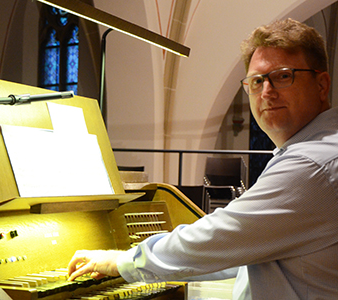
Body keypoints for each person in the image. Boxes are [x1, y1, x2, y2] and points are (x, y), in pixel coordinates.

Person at [67, 19, 338, 299]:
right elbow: (239, 249)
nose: (267, 92)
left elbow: (222, 237)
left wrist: (122, 261)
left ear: (322, 84)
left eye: (283, 76)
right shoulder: (312, 151)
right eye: (257, 81)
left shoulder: (313, 163)